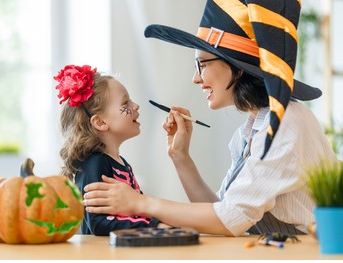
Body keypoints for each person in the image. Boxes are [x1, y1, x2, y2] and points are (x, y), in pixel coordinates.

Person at [83, 0, 337, 236]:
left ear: (236, 67)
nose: (196, 78)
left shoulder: (285, 125)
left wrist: (141, 203)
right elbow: (221, 210)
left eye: (202, 65)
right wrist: (181, 157)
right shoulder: (249, 130)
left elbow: (230, 219)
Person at [54, 64, 165, 236]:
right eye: (125, 102)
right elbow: (98, 223)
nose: (136, 106)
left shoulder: (122, 163)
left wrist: (163, 220)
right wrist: (154, 226)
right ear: (100, 122)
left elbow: (140, 207)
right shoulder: (93, 163)